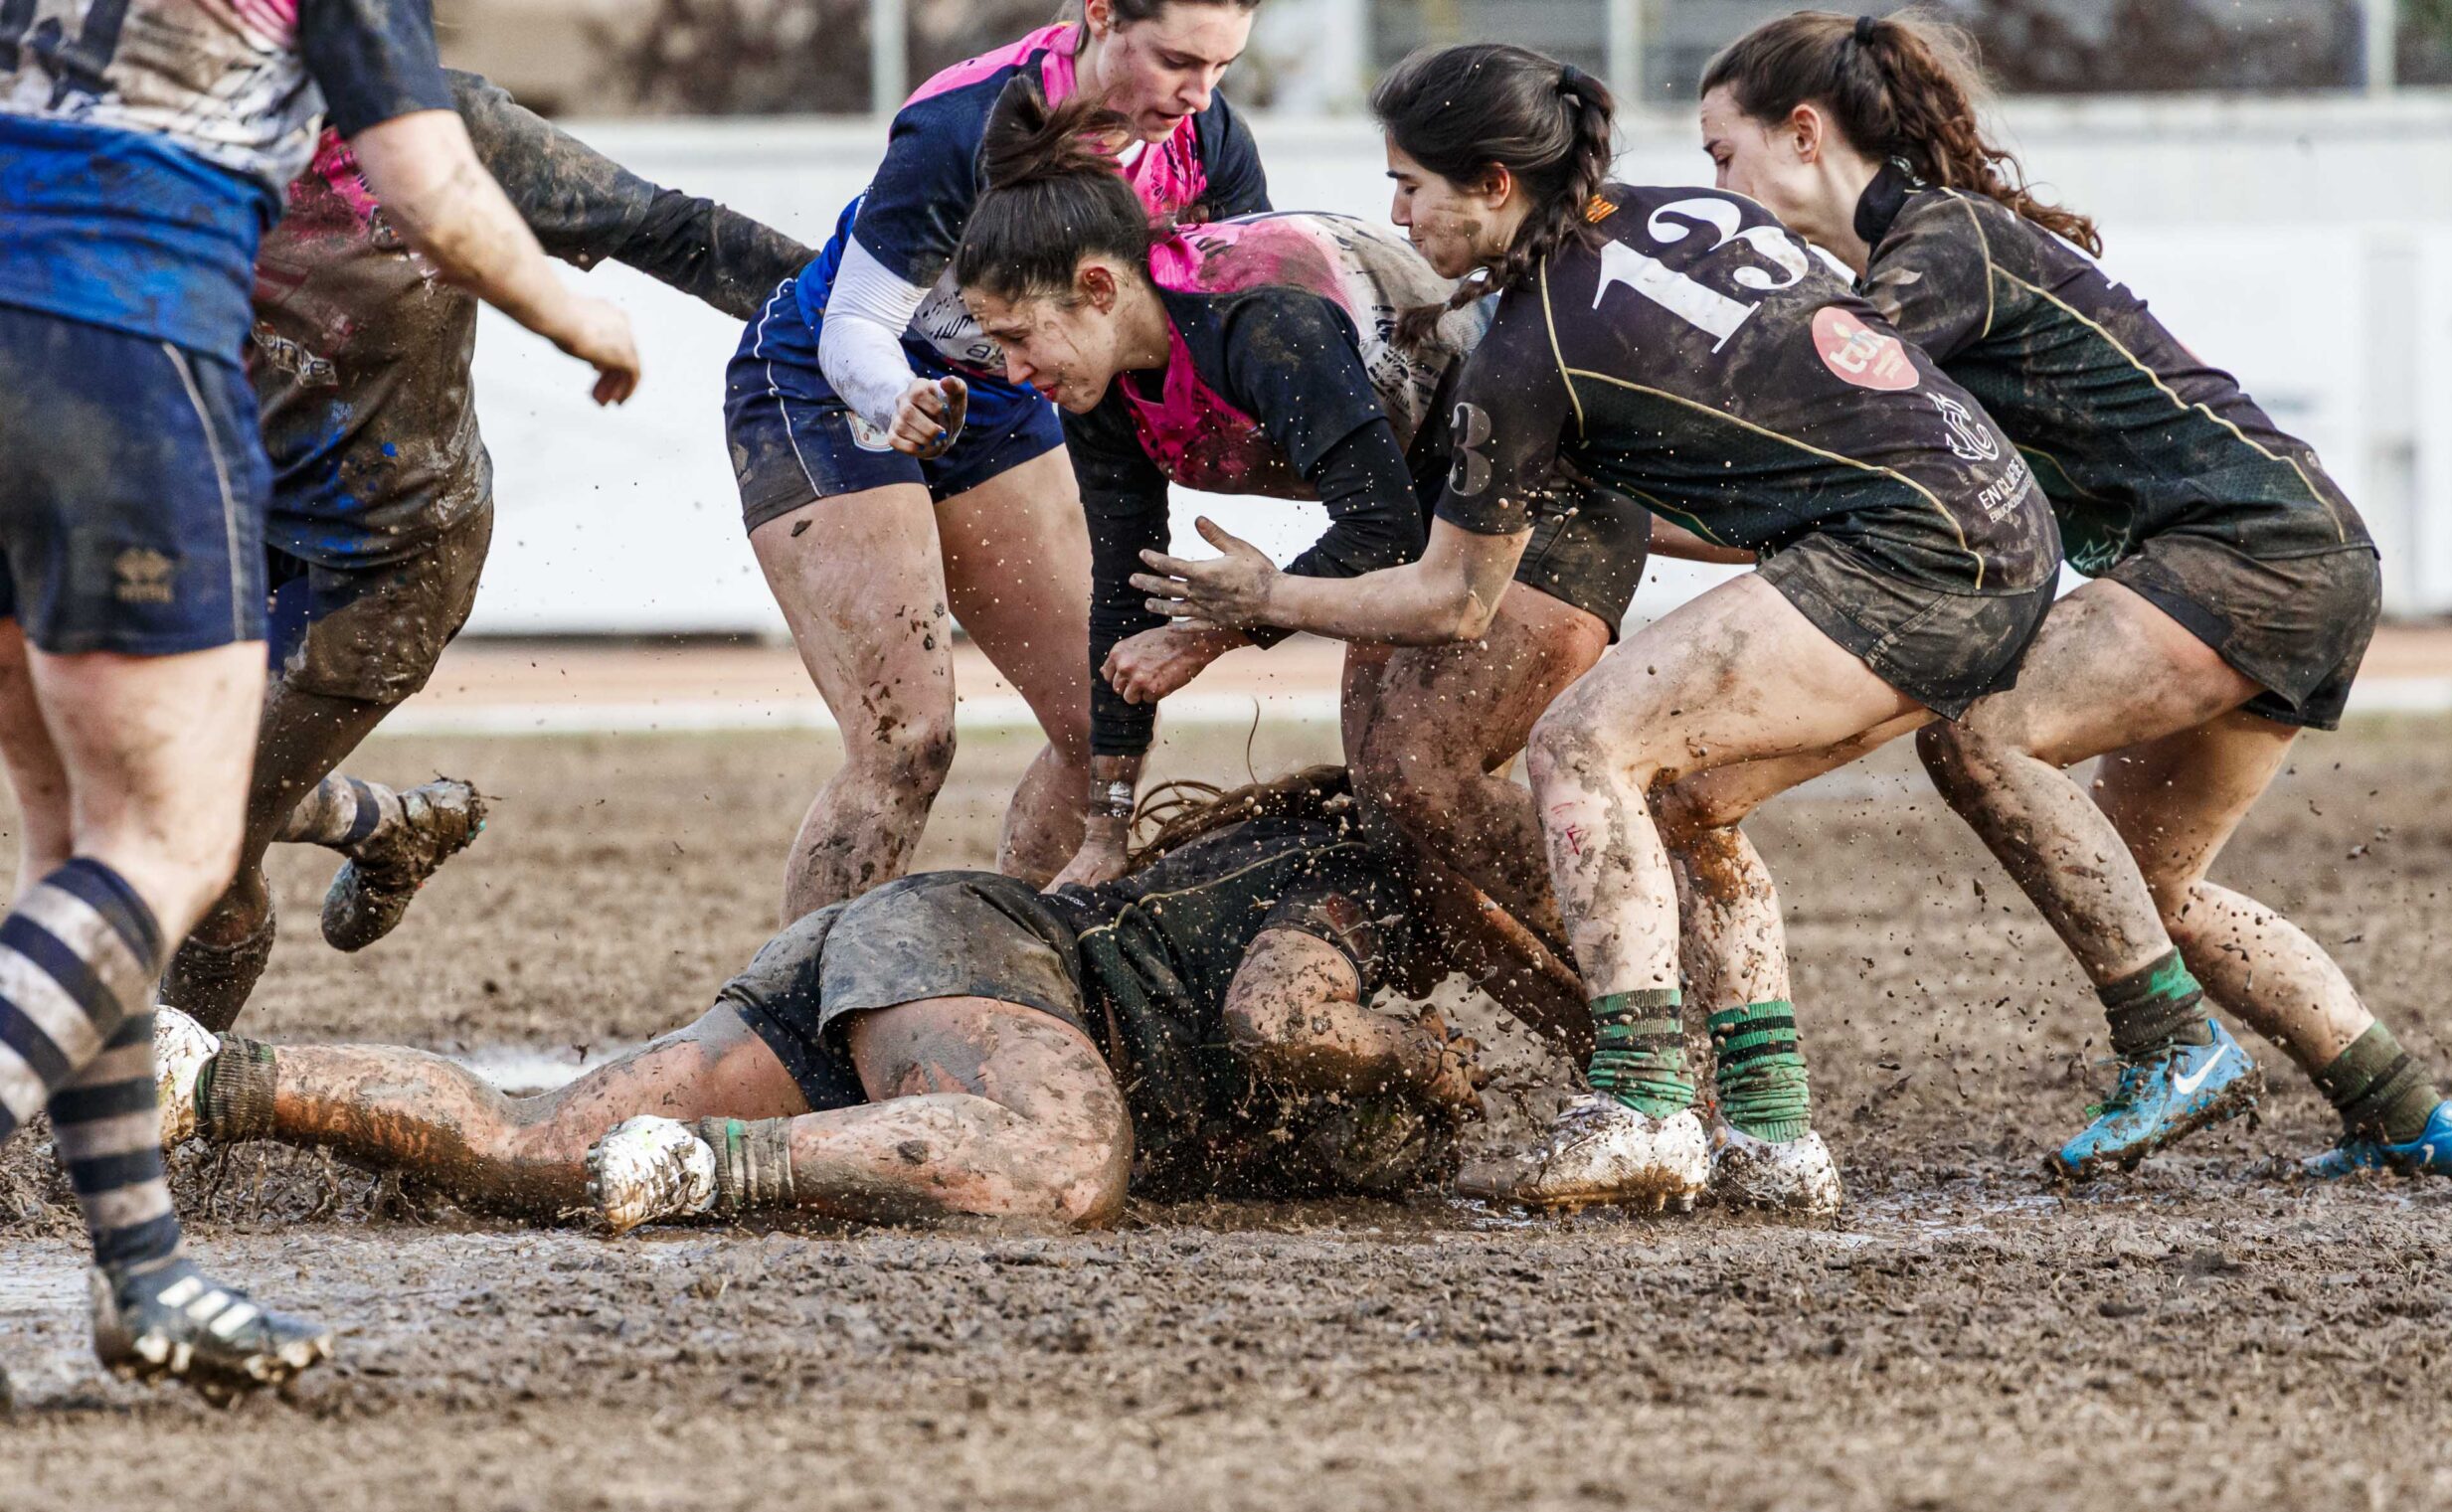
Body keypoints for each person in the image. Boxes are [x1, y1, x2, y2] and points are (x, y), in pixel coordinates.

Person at [1136, 45, 2064, 1218]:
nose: (1395, 214)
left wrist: (1260, 604)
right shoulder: (1670, 215)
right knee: (1689, 799)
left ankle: (1641, 1103)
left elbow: (1453, 602)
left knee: (1578, 748)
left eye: (1410, 186)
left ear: (1490, 183)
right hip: (1996, 533)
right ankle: (1772, 1137)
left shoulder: (1530, 347)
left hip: (1906, 556)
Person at [1696, 10, 2452, 1183]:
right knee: (2142, 889)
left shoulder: (1939, 242)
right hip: (2302, 554)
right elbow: (1810, 477)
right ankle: (2407, 1114)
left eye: (1721, 154)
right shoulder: (1939, 248)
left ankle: (2167, 1046)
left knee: (1979, 736)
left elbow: (1800, 418)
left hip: (2245, 552)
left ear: (1802, 133)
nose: (1715, 184)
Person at [0, 0, 638, 1399]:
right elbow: (431, 179)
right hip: (116, 337)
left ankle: (145, 1271)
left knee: (76, 846)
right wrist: (580, 310)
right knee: (164, 845)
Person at [152, 770, 1630, 1227]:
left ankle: (199, 1075)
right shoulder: (1365, 870)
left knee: (521, 1146)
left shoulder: (1354, 854)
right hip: (986, 968)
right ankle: (709, 1172)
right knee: (1064, 1162)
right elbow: (1280, 1018)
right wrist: (1420, 1061)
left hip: (917, 956)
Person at [166, 72, 815, 1032]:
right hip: (224, 524)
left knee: (204, 845)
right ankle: (380, 828)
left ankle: (170, 1109)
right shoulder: (139, 134)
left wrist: (875, 330)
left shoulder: (439, 125)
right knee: (139, 779)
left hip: (392, 561)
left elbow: (673, 229)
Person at [949, 83, 1664, 936]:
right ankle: (1599, 1028)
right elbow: (1125, 592)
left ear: (1099, 286)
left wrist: (1215, 629)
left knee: (1420, 780)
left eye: (1018, 339)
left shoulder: (1258, 323)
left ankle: (1669, 956)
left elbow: (1380, 531)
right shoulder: (1097, 383)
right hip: (1435, 500)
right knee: (1397, 825)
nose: (1017, 374)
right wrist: (1106, 827)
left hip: (1551, 489)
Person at [725, 0, 1270, 921]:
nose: (1199, 93)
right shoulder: (963, 122)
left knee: (1104, 723)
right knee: (908, 740)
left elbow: (1252, 305)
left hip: (1008, 393)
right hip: (832, 388)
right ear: (1101, 14)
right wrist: (896, 401)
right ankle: (801, 1023)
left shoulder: (1206, 137)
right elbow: (857, 323)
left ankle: (1004, 961)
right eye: (1178, 60)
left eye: (1222, 67)